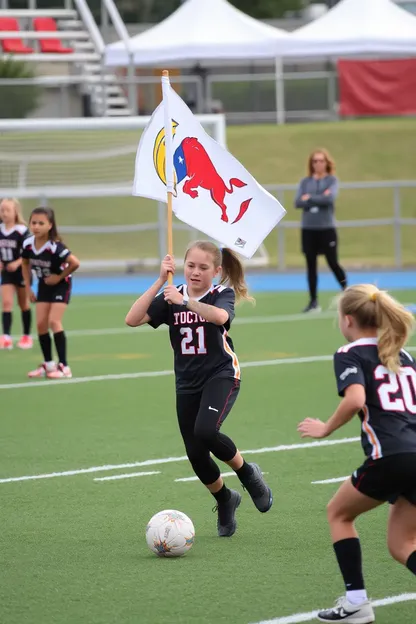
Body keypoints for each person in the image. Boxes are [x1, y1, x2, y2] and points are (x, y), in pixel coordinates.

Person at [125, 240, 273, 538]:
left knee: (206, 431)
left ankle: (247, 473)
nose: (195, 272)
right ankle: (225, 499)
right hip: (187, 382)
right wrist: (159, 280)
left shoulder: (221, 294)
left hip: (221, 374)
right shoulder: (172, 294)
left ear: (216, 271)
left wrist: (185, 303)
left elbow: (220, 317)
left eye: (203, 268)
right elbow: (132, 319)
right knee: (195, 453)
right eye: (190, 265)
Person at [298, 284, 416, 623]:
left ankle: (356, 602)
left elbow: (354, 400)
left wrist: (325, 428)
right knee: (402, 544)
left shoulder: (350, 353)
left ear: (348, 320)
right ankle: (356, 603)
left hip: (391, 456)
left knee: (338, 513)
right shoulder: (403, 355)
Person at [21, 207, 80, 379]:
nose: (36, 226)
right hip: (44, 285)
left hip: (61, 284)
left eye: (41, 223)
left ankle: (64, 366)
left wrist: (59, 277)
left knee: (54, 321)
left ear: (50, 225)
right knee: (40, 324)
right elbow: (25, 263)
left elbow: (75, 263)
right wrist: (27, 287)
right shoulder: (28, 244)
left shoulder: (55, 247)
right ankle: (48, 365)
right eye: (33, 222)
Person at [295, 149, 347, 313]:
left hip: (326, 228)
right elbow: (298, 202)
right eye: (315, 161)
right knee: (311, 265)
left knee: (332, 262)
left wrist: (309, 198)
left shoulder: (332, 181)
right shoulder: (305, 182)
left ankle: (348, 293)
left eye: (321, 160)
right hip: (309, 228)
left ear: (326, 163)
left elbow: (329, 198)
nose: (318, 164)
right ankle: (313, 301)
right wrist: (316, 199)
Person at [0, 198, 32, 350]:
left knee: (23, 304)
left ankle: (26, 336)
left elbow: (29, 253)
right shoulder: (0, 230)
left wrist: (17, 262)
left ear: (15, 212)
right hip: (7, 272)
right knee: (6, 303)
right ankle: (6, 337)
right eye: (2, 210)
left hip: (22, 272)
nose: (4, 213)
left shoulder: (22, 231)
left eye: (7, 210)